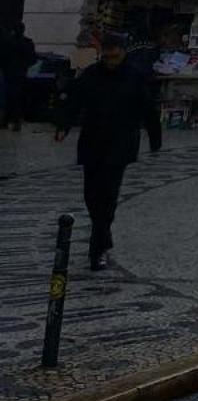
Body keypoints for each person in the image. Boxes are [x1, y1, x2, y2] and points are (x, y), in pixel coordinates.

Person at [54, 32, 161, 269]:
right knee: (91, 196)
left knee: (108, 196)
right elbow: (75, 101)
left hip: (120, 144)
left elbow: (149, 109)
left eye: (115, 54)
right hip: (92, 140)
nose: (111, 59)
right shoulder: (91, 75)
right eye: (107, 54)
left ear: (123, 52)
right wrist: (63, 126)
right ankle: (104, 236)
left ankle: (97, 249)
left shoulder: (135, 77)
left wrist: (155, 139)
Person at [0, 23, 36, 131]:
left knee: (9, 97)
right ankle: (15, 120)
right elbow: (32, 59)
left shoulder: (8, 43)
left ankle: (8, 120)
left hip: (9, 73)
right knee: (17, 97)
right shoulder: (27, 43)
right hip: (20, 73)